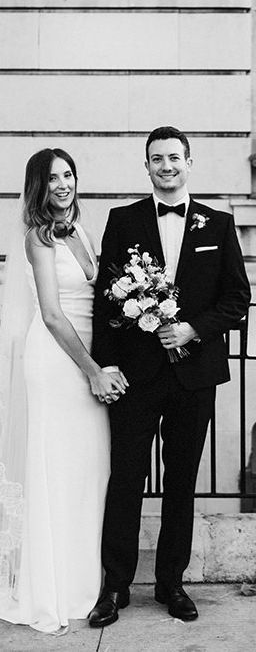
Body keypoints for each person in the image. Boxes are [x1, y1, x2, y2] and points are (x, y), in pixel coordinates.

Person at [88, 126, 250, 627]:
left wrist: (191, 330)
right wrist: (106, 364)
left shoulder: (218, 225)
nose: (167, 166)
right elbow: (106, 303)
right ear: (147, 166)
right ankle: (114, 587)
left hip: (193, 377)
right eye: (157, 159)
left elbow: (237, 302)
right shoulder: (123, 220)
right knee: (125, 480)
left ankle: (171, 583)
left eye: (174, 157)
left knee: (181, 482)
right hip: (136, 377)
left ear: (189, 162)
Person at [0, 148, 127, 633]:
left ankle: (84, 585)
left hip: (88, 359)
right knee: (54, 472)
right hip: (57, 363)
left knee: (90, 471)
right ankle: (50, 588)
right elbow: (52, 314)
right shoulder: (38, 239)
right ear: (38, 186)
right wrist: (94, 369)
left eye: (69, 174)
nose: (63, 184)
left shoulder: (83, 232)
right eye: (52, 178)